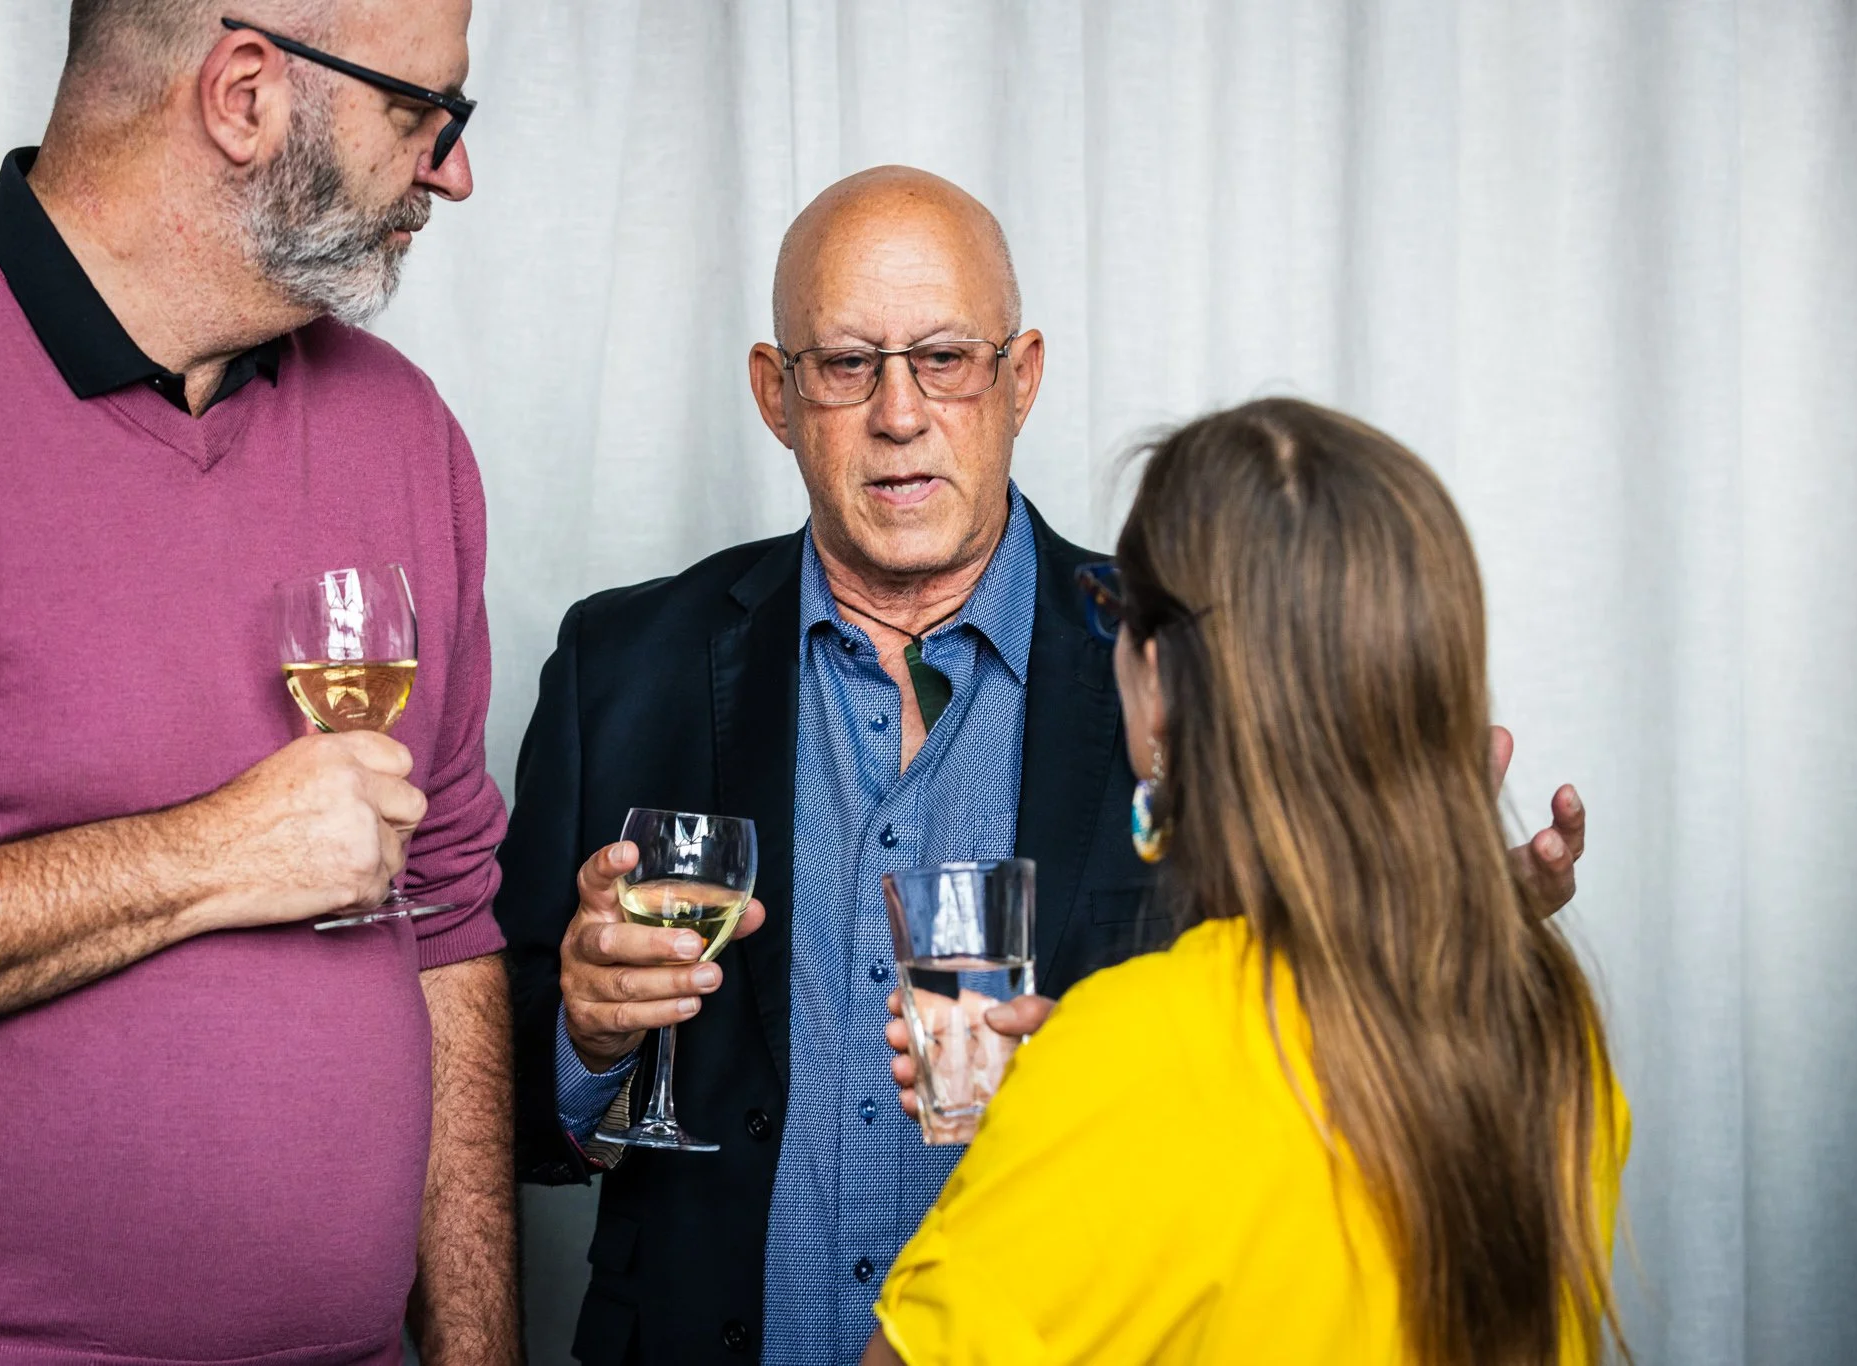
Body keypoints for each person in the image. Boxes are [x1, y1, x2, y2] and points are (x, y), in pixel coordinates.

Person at [498, 168, 1590, 1366]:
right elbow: (477, 1101)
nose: (898, 413)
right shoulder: (620, 663)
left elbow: (1295, 1049)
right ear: (776, 392)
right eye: (847, 364)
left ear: (1020, 378)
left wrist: (1432, 910)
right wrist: (584, 1045)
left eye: (946, 359)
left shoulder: (1180, 666)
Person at [0, 3, 514, 1362]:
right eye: (419, 114)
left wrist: (481, 1346)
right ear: (246, 96)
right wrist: (207, 856)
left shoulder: (405, 432)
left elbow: (449, 925)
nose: (452, 171)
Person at [864, 398, 1629, 1365]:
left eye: (1117, 612)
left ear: (1164, 684)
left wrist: (1084, 1098)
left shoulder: (1131, 1057)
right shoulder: (1554, 1033)